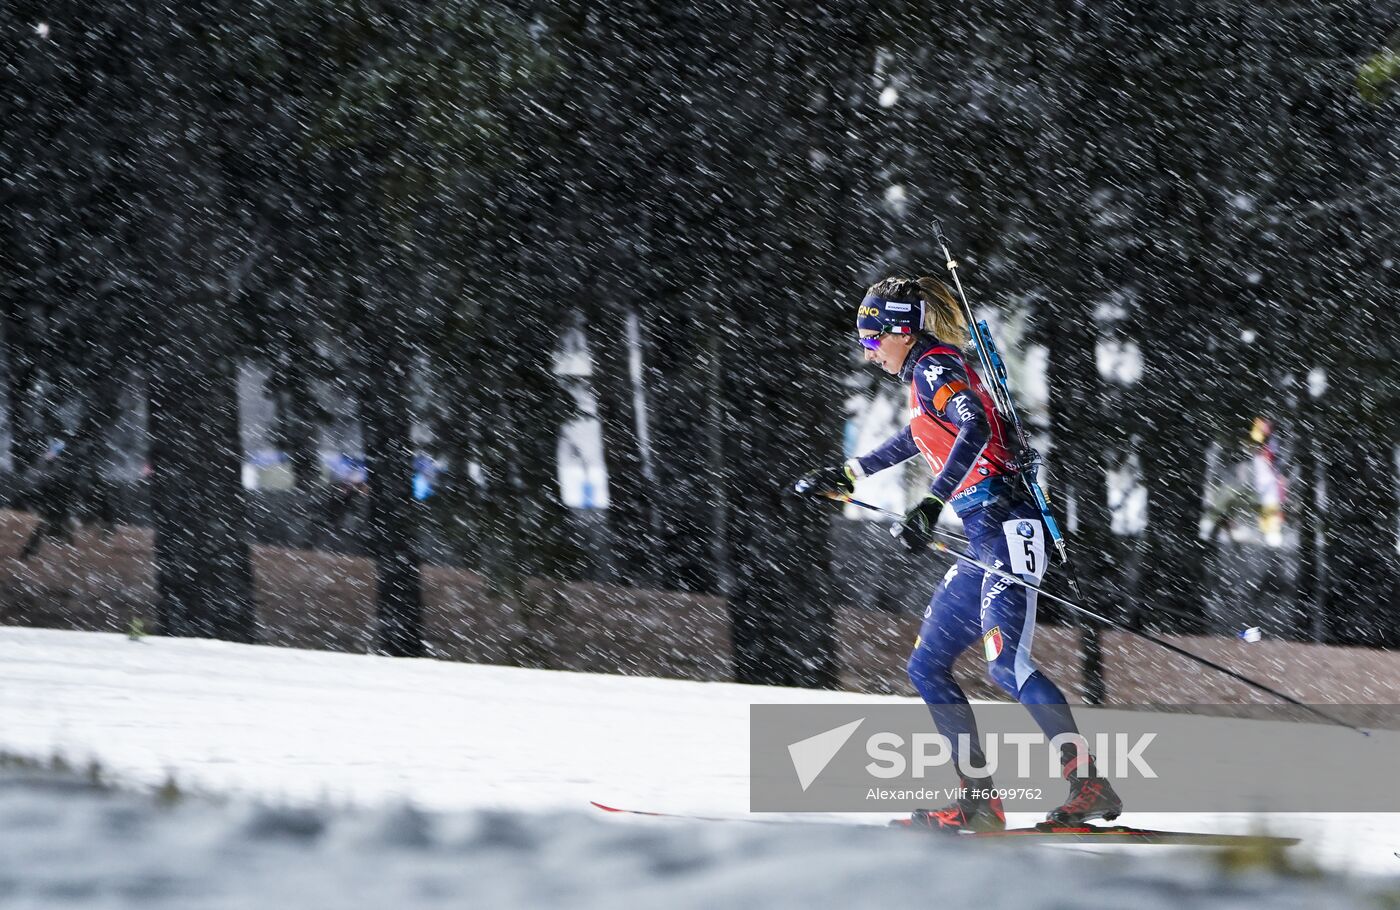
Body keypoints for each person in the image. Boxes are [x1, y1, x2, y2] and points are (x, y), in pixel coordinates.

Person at [796, 276, 1122, 832]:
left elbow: (971, 425)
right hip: (984, 537)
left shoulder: (936, 368)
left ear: (901, 330)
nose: (868, 350)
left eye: (873, 338)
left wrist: (930, 501)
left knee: (1006, 665)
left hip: (1009, 527)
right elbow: (919, 437)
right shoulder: (924, 377)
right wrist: (848, 472)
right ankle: (977, 799)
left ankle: (1086, 785)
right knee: (926, 665)